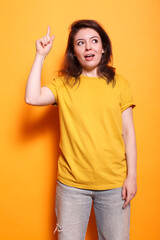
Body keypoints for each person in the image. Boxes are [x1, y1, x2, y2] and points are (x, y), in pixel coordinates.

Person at [25, 19, 137, 240]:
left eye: (94, 41)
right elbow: (32, 97)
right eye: (81, 43)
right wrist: (40, 56)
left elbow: (128, 132)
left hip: (113, 184)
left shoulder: (119, 84)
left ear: (103, 48)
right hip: (71, 187)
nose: (88, 47)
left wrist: (132, 175)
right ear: (73, 51)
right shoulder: (64, 84)